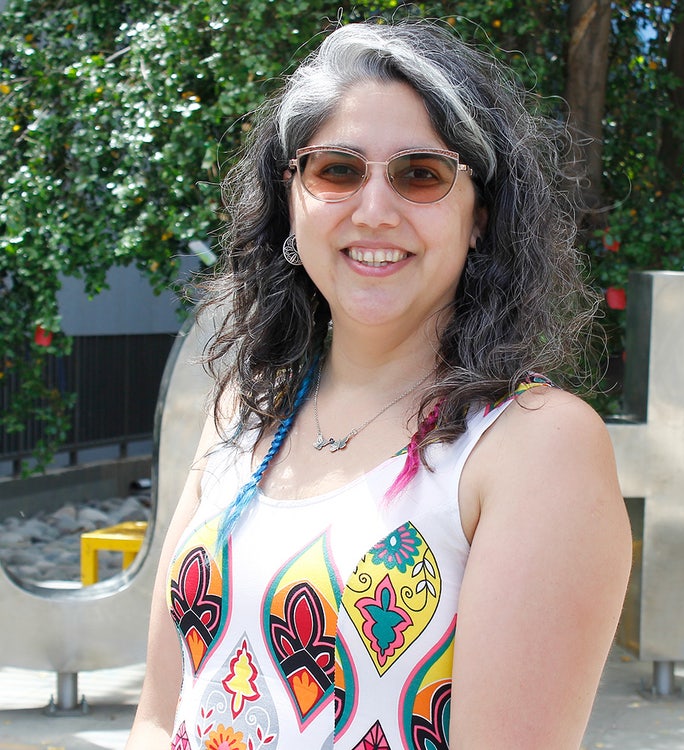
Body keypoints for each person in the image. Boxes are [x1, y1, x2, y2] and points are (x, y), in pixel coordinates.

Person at [126, 19, 631, 750]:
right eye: (337, 170)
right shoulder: (244, 410)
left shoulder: (533, 446)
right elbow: (157, 717)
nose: (374, 210)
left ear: (481, 216)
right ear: (291, 199)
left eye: (420, 174)